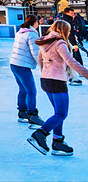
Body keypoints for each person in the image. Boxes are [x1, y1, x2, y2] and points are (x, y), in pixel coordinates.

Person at [28, 20, 88, 156]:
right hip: (57, 81)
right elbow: (70, 61)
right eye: (69, 30)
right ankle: (40, 134)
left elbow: (39, 60)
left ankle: (58, 141)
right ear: (63, 30)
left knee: (58, 113)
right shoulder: (60, 43)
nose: (70, 32)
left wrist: (46, 72)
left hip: (46, 80)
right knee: (61, 114)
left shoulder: (44, 41)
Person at [10, 15, 44, 128]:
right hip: (22, 65)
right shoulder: (32, 34)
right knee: (31, 91)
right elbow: (36, 53)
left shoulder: (20, 32)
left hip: (14, 63)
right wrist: (43, 66)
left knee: (23, 89)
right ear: (35, 23)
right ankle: (32, 116)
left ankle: (22, 113)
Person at [61, 8, 84, 85]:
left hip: (62, 42)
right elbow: (70, 34)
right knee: (71, 60)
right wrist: (74, 44)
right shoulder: (68, 21)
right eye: (71, 13)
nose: (73, 15)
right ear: (66, 13)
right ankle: (74, 77)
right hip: (67, 42)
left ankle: (71, 76)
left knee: (68, 60)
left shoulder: (62, 20)